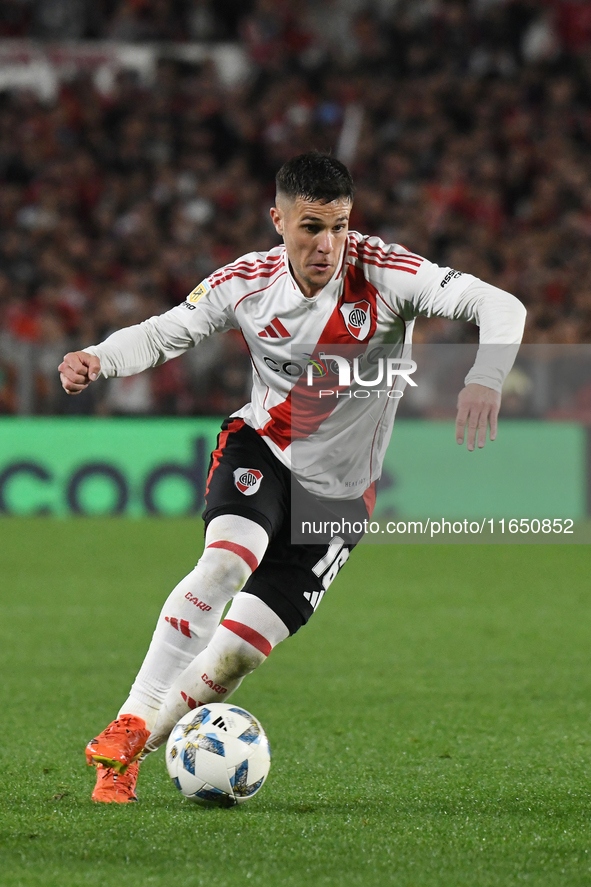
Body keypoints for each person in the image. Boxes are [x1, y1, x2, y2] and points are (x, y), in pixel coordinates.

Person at [59, 152, 526, 802]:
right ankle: (132, 715)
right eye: (310, 226)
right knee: (225, 563)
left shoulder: (387, 273)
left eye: (338, 226)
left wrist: (485, 377)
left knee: (237, 655)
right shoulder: (246, 281)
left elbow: (500, 305)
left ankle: (128, 757)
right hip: (264, 448)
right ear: (277, 220)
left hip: (337, 495)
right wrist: (99, 358)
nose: (326, 244)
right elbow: (167, 331)